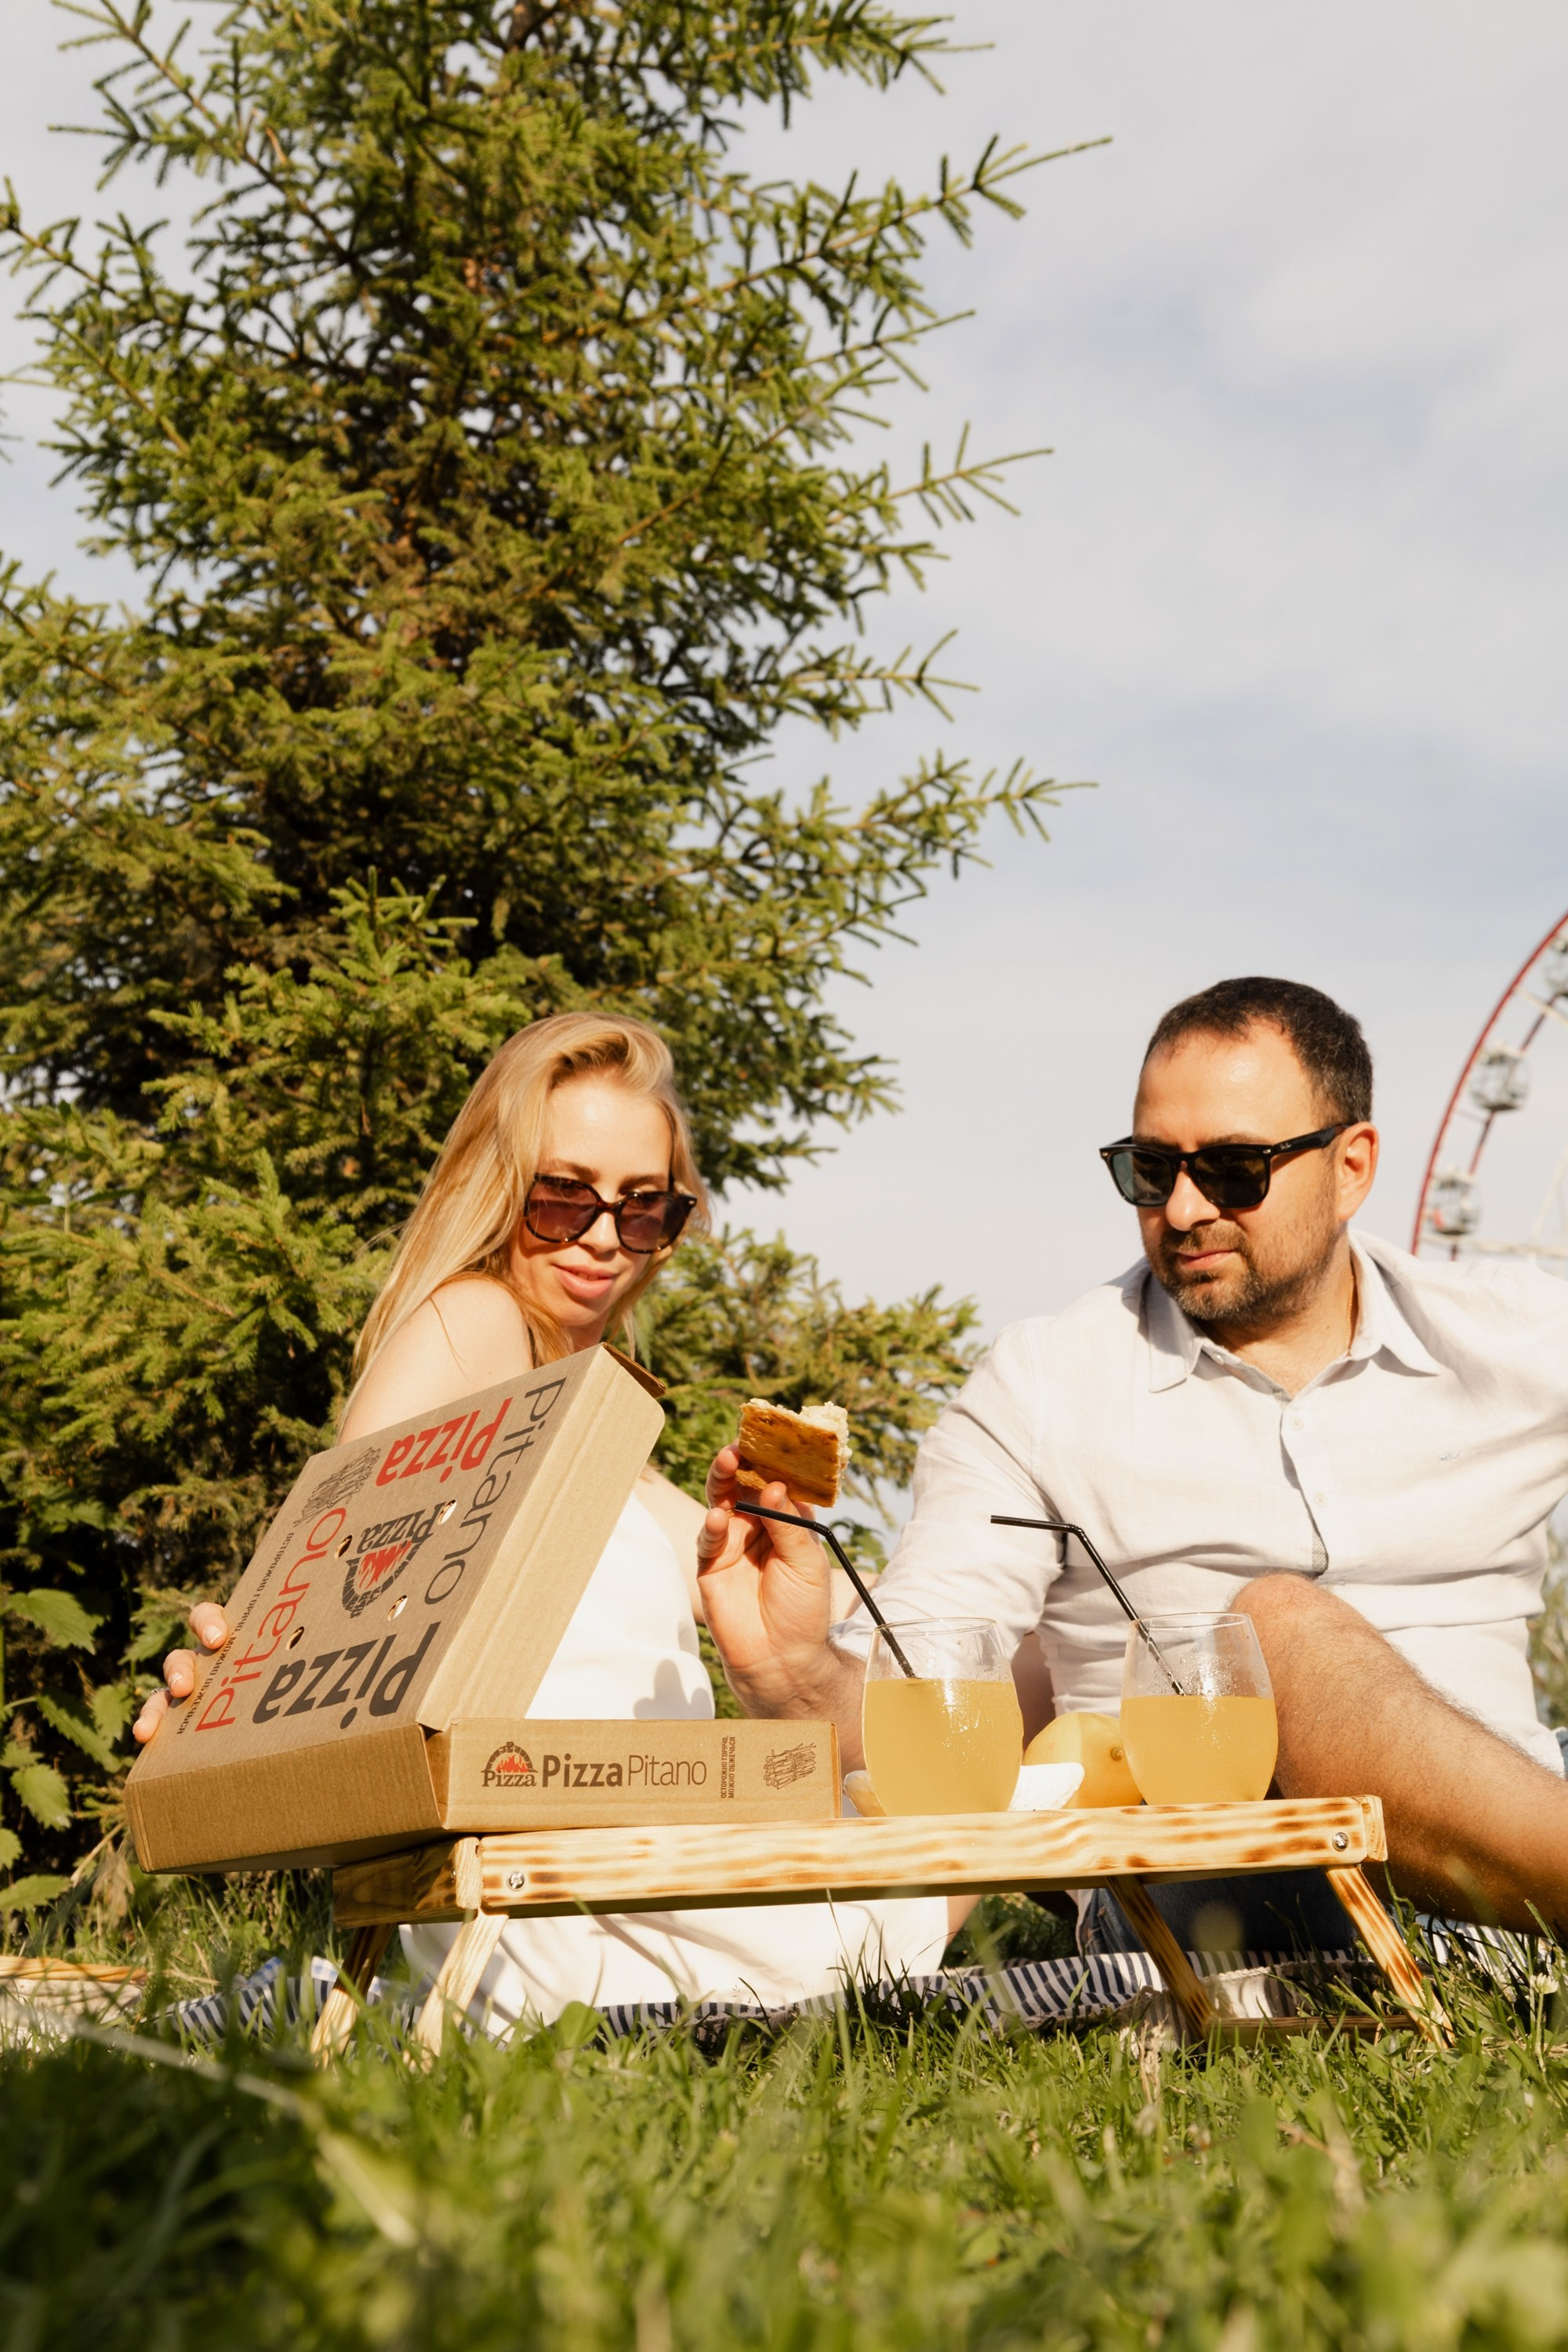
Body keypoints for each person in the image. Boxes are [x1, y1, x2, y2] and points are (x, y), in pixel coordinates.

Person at [698, 975, 1568, 1954]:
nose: (1183, 1208)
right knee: (1266, 1630)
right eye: (1150, 1171)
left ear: (1351, 1167)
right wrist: (793, 1674)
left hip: (1519, 1856)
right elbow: (924, 1698)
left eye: (1233, 1168)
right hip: (1209, 1880)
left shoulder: (1516, 1337)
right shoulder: (1040, 1388)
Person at [133, 1012, 950, 2024]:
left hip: (618, 1882)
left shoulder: (614, 1453)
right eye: (563, 1197)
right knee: (980, 1822)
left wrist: (793, 1648)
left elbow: (852, 1691)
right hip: (561, 1899)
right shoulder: (473, 1320)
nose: (604, 1238)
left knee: (975, 1782)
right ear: (496, 1186)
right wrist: (241, 1667)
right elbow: (343, 1551)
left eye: (643, 1208)